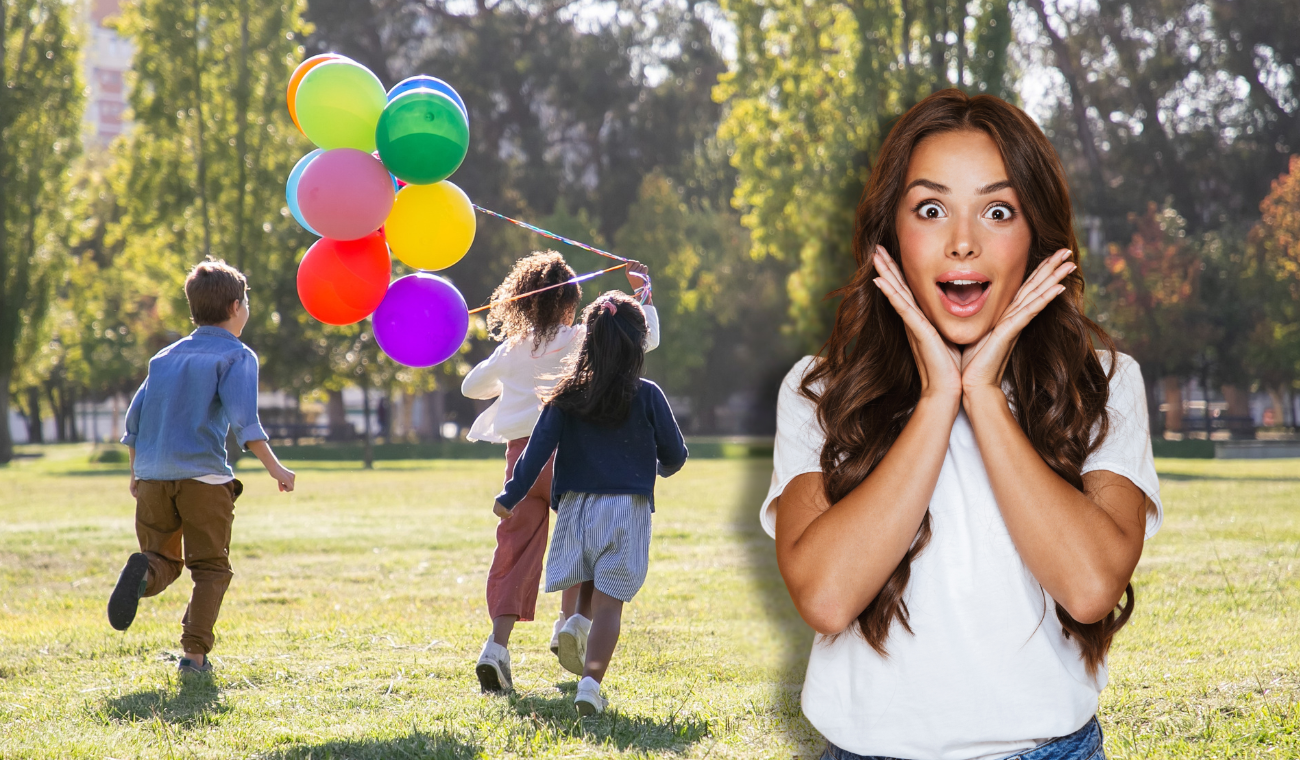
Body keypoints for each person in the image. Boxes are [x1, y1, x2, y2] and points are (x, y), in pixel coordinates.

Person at [763, 89, 1162, 760]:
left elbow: (1091, 588)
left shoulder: (1104, 382)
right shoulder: (818, 390)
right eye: (931, 209)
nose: (963, 243)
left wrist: (982, 392)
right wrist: (936, 400)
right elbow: (827, 599)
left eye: (998, 211)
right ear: (891, 235)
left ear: (1037, 236)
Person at [463, 252, 659, 693]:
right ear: (571, 300)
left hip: (522, 463)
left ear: (522, 303)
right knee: (585, 545)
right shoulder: (581, 339)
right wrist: (642, 293)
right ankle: (569, 625)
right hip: (571, 458)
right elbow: (643, 340)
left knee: (514, 552)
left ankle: (496, 647)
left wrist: (512, 364)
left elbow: (470, 387)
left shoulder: (512, 349)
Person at [492, 290, 687, 714]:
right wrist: (656, 468)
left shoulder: (566, 394)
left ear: (588, 341)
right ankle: (589, 686)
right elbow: (675, 454)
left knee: (586, 574)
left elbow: (535, 452)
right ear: (638, 344)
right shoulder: (648, 394)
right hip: (626, 509)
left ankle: (575, 622)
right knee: (610, 604)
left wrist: (510, 495)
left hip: (577, 508)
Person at [108, 258, 296, 678]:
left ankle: (143, 573)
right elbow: (245, 423)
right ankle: (193, 657)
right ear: (235, 307)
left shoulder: (165, 357)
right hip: (203, 478)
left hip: (154, 476)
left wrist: (136, 472)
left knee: (162, 560)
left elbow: (134, 421)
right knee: (210, 568)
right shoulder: (236, 356)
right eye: (246, 302)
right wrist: (277, 469)